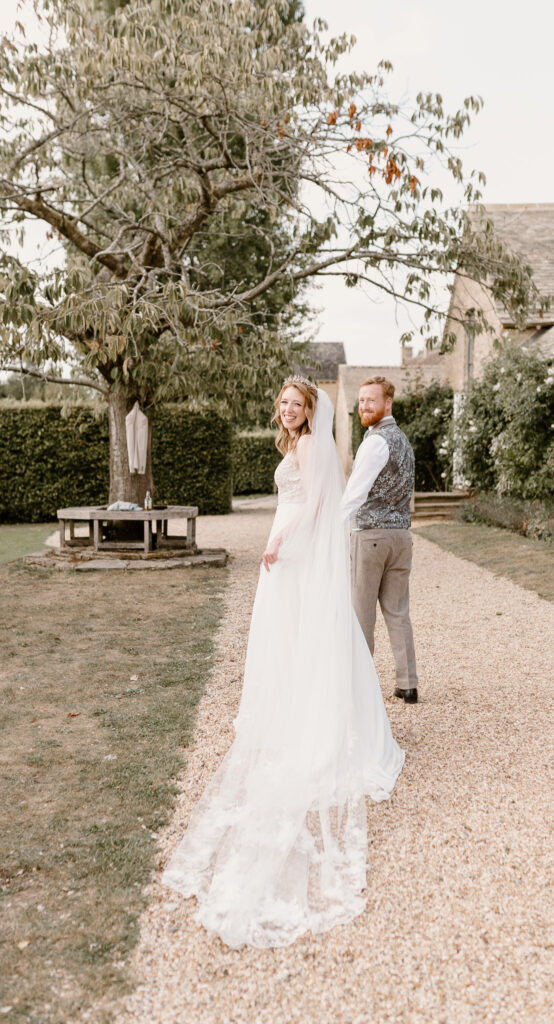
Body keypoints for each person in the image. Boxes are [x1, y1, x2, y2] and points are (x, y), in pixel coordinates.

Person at [162, 376, 404, 948]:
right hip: (286, 544)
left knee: (305, 631)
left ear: (310, 410)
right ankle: (292, 705)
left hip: (292, 548)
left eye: (296, 404)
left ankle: (321, 718)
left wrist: (280, 541)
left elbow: (318, 504)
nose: (288, 410)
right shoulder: (294, 443)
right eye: (283, 403)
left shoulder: (312, 444)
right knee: (289, 634)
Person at [341, 376, 419, 704]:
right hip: (401, 537)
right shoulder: (403, 440)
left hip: (371, 536)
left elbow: (355, 493)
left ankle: (360, 687)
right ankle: (408, 683)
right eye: (361, 401)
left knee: (361, 613)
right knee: (398, 612)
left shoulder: (375, 441)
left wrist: (332, 526)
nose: (364, 406)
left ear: (388, 403)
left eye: (371, 400)